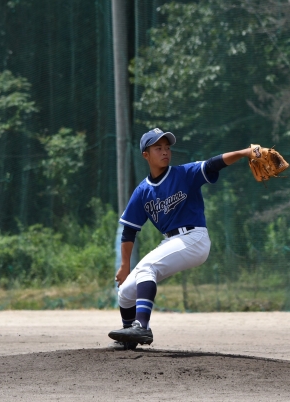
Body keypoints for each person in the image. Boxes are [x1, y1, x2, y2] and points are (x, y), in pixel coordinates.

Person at [108, 127, 255, 347]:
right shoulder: (143, 191)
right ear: (145, 155)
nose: (165, 151)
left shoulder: (184, 173)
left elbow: (213, 164)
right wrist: (124, 266)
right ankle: (129, 337)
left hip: (194, 237)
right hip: (173, 241)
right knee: (126, 292)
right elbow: (129, 229)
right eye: (158, 148)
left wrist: (244, 153)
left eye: (167, 147)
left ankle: (142, 327)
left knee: (147, 268)